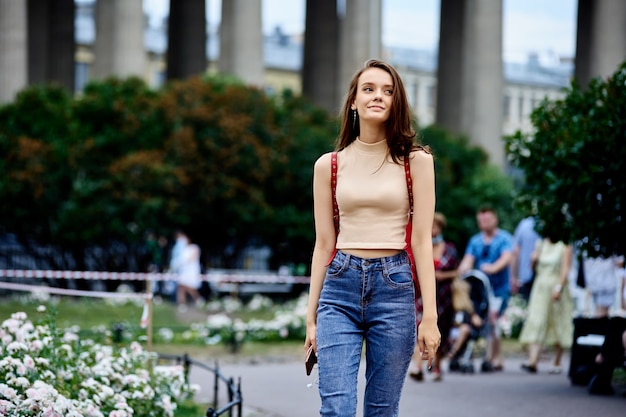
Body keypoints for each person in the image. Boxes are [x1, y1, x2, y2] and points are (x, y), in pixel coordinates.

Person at [304, 59, 440, 417]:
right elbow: (323, 245)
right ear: (353, 101)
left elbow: (422, 242)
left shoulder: (417, 162)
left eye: (388, 90)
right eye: (369, 89)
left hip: (394, 289)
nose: (378, 96)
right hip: (339, 289)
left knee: (381, 410)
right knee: (336, 409)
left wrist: (431, 317)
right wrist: (311, 318)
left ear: (397, 103)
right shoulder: (328, 165)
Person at [457, 206, 513, 372]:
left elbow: (506, 258)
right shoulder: (475, 240)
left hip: (498, 287)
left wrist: (493, 267)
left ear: (495, 219)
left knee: (493, 319)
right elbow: (468, 259)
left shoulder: (504, 238)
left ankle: (493, 357)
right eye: (481, 220)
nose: (484, 223)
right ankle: (494, 357)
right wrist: (463, 270)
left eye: (487, 220)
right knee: (483, 319)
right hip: (481, 287)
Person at [409, 212, 459, 382]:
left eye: (435, 226)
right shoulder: (420, 246)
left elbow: (457, 271)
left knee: (441, 331)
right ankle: (418, 367)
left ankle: (436, 366)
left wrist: (442, 276)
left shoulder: (449, 249)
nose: (432, 230)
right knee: (419, 328)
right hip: (422, 294)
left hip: (443, 295)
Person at [518, 235, 574, 374]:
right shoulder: (540, 244)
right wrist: (533, 260)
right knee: (536, 320)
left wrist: (558, 288)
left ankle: (557, 361)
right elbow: (534, 270)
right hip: (540, 287)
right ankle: (533, 361)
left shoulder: (564, 245)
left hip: (556, 287)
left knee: (557, 322)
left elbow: (565, 270)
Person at [169, 230, 203, 311]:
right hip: (183, 272)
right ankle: (181, 303)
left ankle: (198, 300)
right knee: (181, 287)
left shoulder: (194, 247)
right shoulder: (182, 249)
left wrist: (180, 263)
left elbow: (191, 258)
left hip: (191, 271)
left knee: (190, 288)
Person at [511, 216, 541, 301]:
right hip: (543, 279)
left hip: (526, 277)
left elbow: (515, 252)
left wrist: (514, 277)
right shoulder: (555, 225)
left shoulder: (524, 224)